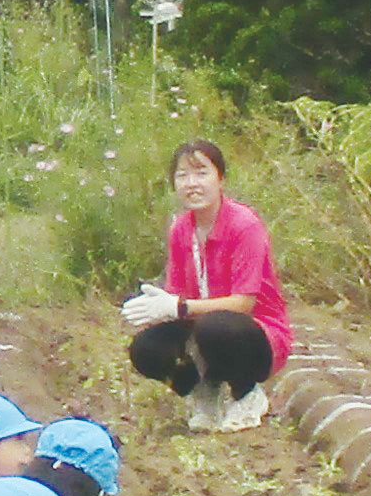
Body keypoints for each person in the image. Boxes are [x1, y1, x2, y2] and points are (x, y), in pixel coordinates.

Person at [121, 139, 294, 437]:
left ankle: (246, 395)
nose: (192, 184)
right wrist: (160, 306)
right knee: (146, 348)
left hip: (254, 335)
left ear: (220, 179)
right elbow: (178, 295)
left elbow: (244, 303)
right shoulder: (181, 229)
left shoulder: (244, 225)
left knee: (215, 327)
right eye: (182, 175)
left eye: (201, 173)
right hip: (205, 328)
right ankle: (204, 394)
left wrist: (179, 307)